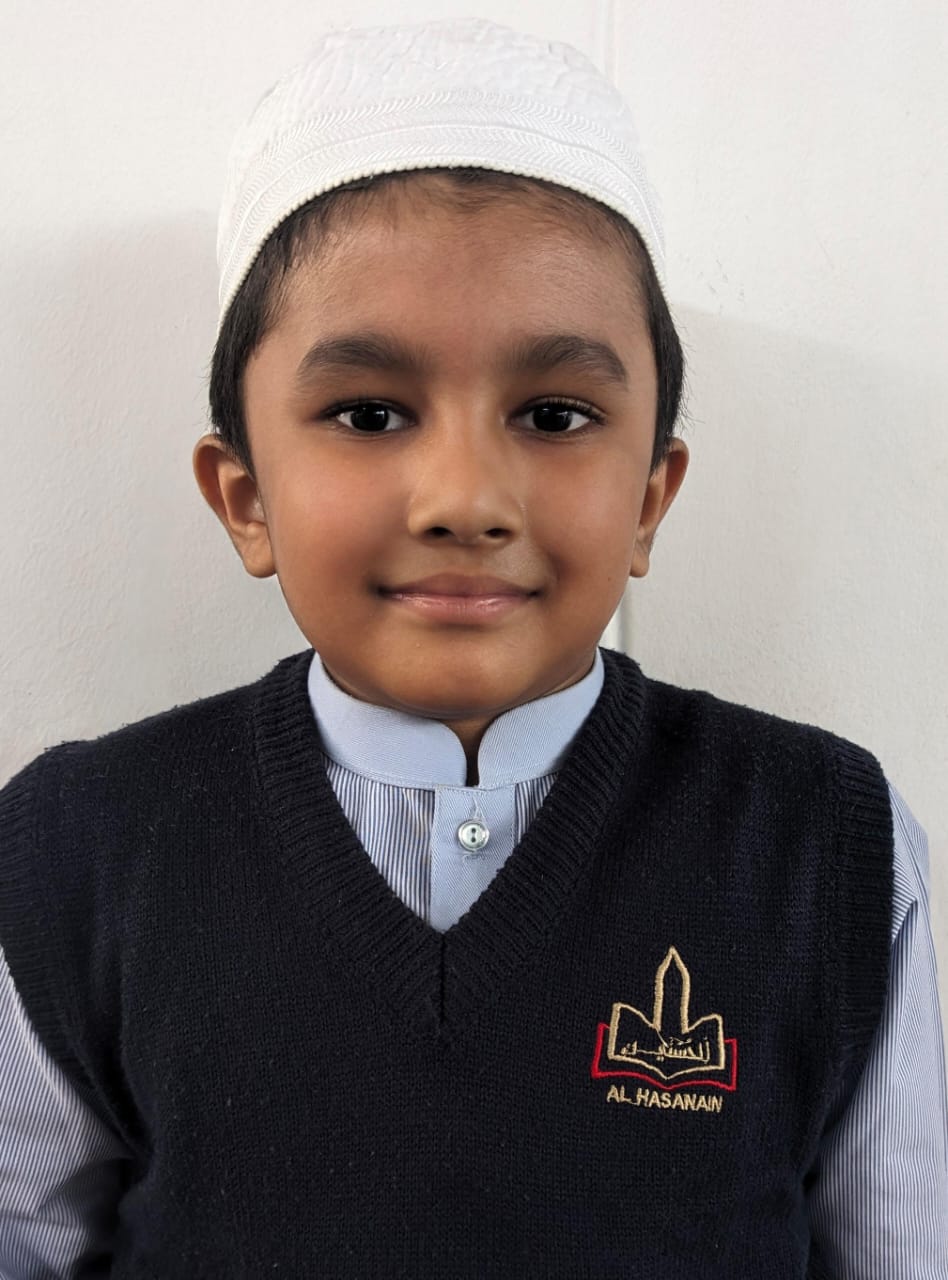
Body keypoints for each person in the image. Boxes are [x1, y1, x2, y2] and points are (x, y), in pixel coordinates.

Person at [0, 17, 945, 1278]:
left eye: (554, 413)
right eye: (367, 413)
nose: (465, 497)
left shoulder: (825, 845)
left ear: (649, 498)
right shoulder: (76, 854)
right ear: (246, 498)